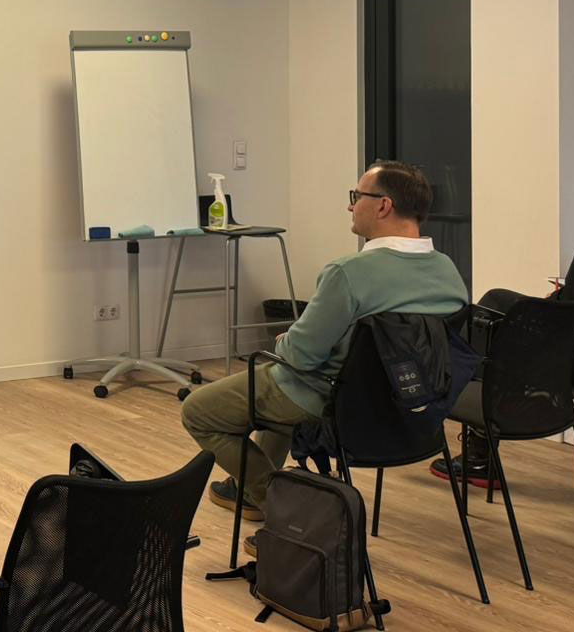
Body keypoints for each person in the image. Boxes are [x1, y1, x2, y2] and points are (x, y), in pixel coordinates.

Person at [181, 160, 468, 538]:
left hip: (330, 402)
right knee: (272, 390)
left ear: (383, 205)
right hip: (407, 411)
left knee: (199, 411)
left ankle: (286, 508)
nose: (351, 205)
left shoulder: (347, 273)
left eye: (357, 196)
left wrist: (286, 340)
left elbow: (301, 357)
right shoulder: (448, 271)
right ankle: (252, 492)